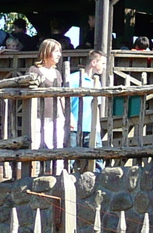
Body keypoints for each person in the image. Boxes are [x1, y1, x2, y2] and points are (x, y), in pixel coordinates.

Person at [27, 40, 67, 168]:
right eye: (56, 51)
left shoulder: (57, 73)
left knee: (57, 144)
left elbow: (60, 96)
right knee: (35, 144)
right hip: (39, 114)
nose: (59, 54)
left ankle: (58, 171)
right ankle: (33, 171)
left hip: (56, 115)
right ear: (46, 52)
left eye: (60, 51)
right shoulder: (34, 70)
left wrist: (66, 114)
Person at [66, 50, 106, 149]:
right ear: (94, 62)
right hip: (74, 128)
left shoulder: (96, 82)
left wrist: (98, 126)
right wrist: (69, 116)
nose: (104, 67)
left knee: (97, 156)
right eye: (103, 63)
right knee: (72, 156)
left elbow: (96, 106)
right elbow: (63, 101)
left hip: (91, 128)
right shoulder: (73, 78)